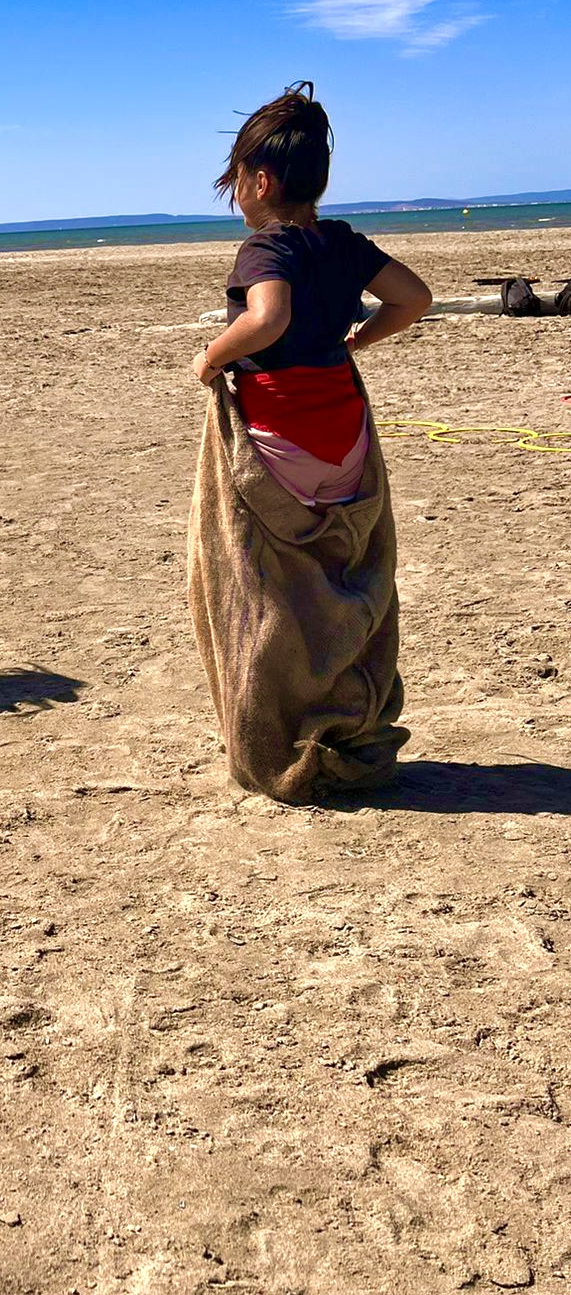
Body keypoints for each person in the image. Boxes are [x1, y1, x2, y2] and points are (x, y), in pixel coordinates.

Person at [187, 82, 432, 803]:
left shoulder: (265, 248)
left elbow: (266, 318)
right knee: (339, 570)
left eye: (234, 182)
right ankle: (343, 715)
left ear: (258, 182)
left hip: (280, 440)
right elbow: (413, 298)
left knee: (270, 591)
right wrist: (362, 336)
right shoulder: (341, 242)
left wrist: (210, 358)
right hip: (345, 437)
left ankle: (284, 731)